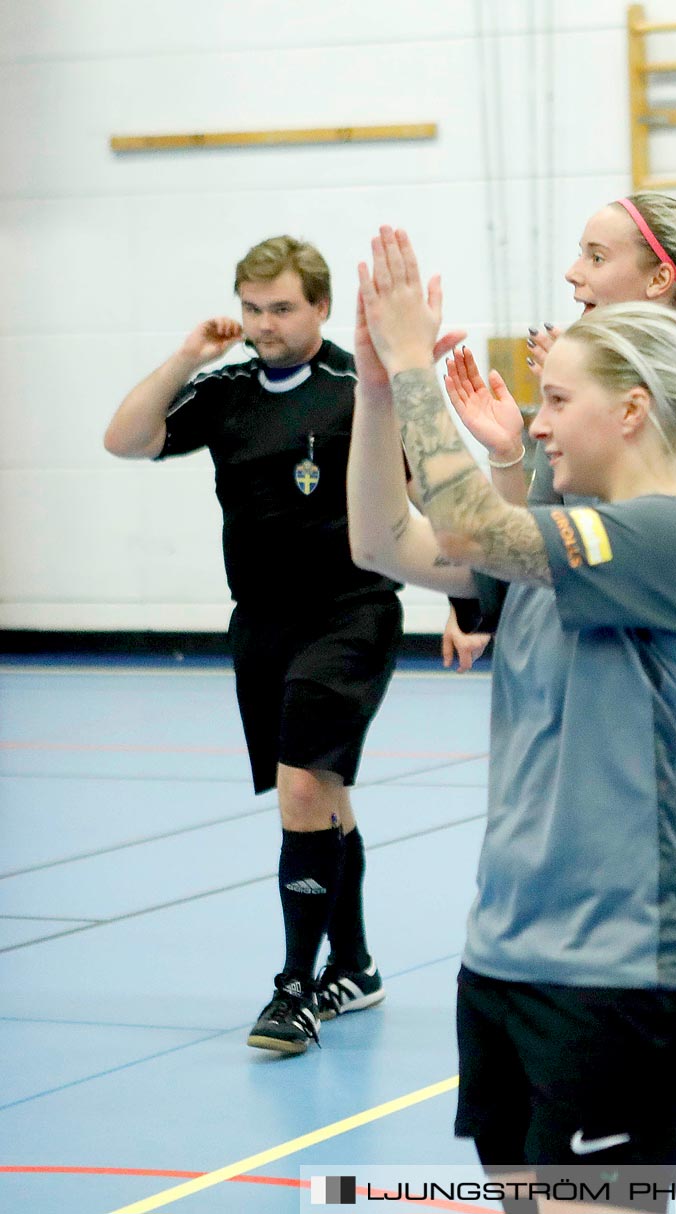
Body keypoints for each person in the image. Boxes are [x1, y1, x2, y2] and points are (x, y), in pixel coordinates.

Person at [347, 225, 676, 1213]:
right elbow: (380, 537)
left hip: (624, 967)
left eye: (558, 401)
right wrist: (372, 387)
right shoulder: (546, 541)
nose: (537, 426)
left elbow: (475, 526)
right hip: (505, 950)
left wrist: (415, 369)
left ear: (634, 409)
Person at [440, 192, 676, 1211]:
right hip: (597, 680)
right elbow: (537, 542)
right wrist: (521, 451)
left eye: (595, 255)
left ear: (659, 279)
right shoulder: (583, 386)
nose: (573, 273)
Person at [101, 235, 444, 1054]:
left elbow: (427, 482)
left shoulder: (355, 389)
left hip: (353, 610)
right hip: (261, 622)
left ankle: (295, 988)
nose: (265, 325)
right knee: (323, 794)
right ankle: (355, 965)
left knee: (301, 791)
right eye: (253, 309)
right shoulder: (225, 392)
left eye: (282, 308)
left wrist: (467, 603)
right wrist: (189, 355)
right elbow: (125, 438)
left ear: (320, 308)